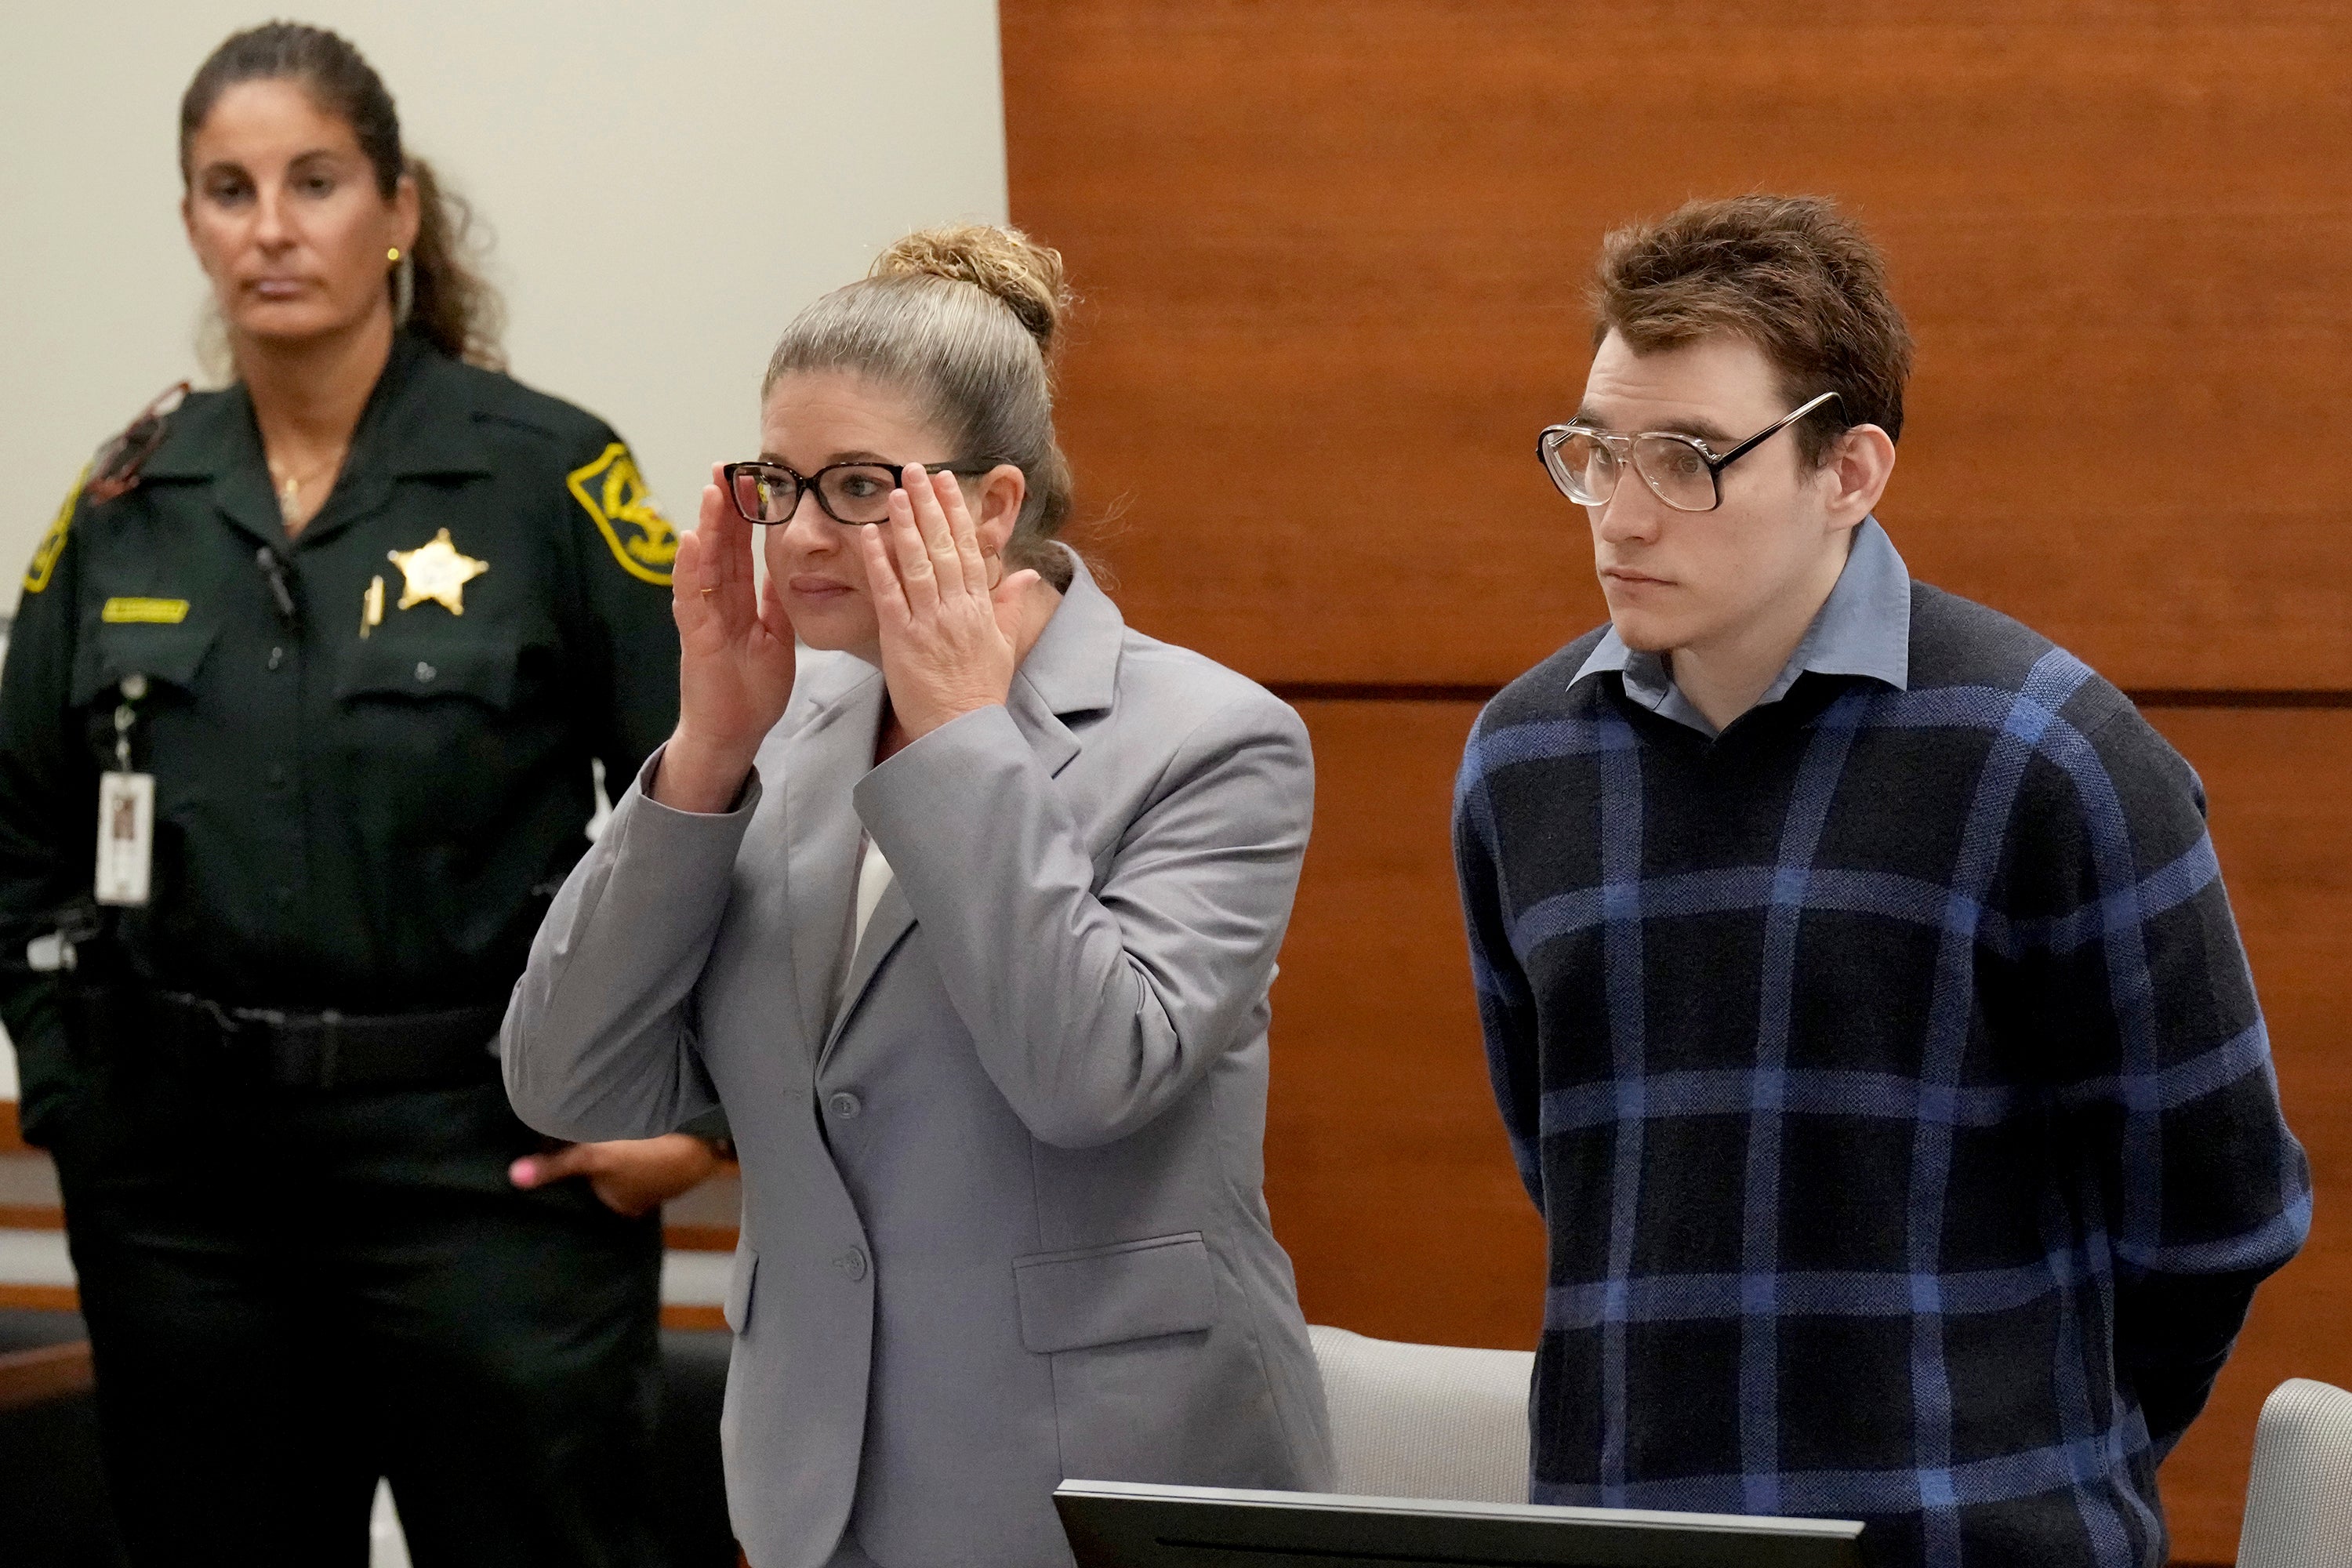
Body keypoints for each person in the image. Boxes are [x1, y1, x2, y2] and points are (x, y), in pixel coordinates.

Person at [1451, 194, 2310, 1567]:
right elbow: (1578, 1168)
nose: (1619, 512)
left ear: (1849, 470)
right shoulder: (1522, 760)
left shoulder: (2051, 755)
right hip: (1630, 1534)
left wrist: (2036, 1445)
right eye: (1593, 452)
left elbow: (2215, 1211)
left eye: (1682, 458)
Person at [0, 23, 728, 1566]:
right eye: (227, 187)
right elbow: (18, 822)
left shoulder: (551, 479)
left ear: (397, 209)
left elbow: (713, 800)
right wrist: (74, 1097)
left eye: (313, 180)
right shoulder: (127, 504)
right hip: (185, 1192)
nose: (270, 226)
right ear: (191, 221)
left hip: (485, 1163)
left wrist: (703, 1109)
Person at [501, 223, 1334, 1568]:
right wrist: (708, 749)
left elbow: (1089, 1078)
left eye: (857, 486)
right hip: (814, 1488)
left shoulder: (1208, 740)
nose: (804, 533)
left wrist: (957, 737)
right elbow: (565, 1082)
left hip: (1108, 1491)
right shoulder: (778, 733)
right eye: (779, 483)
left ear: (992, 509)